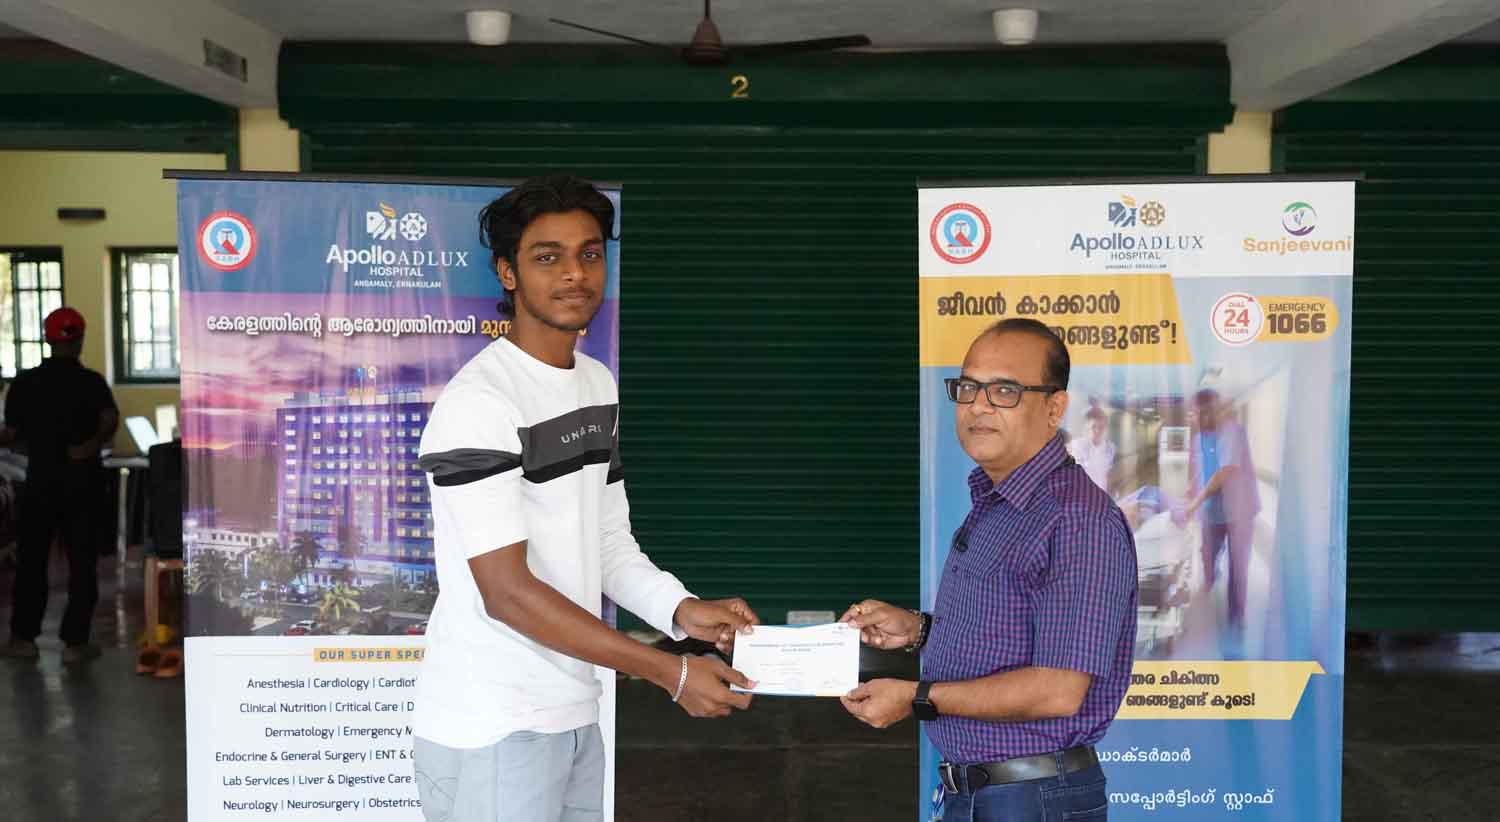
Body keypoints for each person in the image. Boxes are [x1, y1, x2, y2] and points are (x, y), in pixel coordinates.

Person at [412, 175, 759, 822]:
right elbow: (507, 592)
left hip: (573, 711)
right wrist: (670, 672)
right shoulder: (480, 404)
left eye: (590, 253)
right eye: (548, 257)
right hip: (493, 721)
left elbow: (605, 541)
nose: (575, 273)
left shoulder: (595, 383)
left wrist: (681, 611)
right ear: (508, 272)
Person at [839, 318, 1137, 821]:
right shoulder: (997, 501)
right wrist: (919, 630)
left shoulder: (1076, 519)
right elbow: (1008, 635)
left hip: (1031, 800)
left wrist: (917, 697)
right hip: (980, 794)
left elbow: (1057, 689)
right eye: (969, 388)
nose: (978, 405)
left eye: (1004, 391)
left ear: (1054, 408)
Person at [1, 307, 119, 663]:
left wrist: (35, 444)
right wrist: (89, 445)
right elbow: (109, 420)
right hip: (83, 484)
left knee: (32, 561)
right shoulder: (92, 382)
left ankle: (23, 640)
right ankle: (75, 644)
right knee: (82, 562)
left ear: (47, 339)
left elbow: (11, 435)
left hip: (41, 482)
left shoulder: (25, 383)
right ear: (80, 339)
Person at [1184, 387, 1259, 633]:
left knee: (1237, 566)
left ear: (1210, 411)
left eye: (1197, 413)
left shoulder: (1232, 432)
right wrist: (1191, 489)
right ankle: (1208, 583)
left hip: (1240, 509)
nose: (1193, 418)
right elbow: (1200, 469)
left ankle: (1235, 620)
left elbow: (1226, 471)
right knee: (1207, 555)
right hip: (1213, 509)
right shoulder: (1198, 438)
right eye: (1193, 413)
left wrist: (1196, 501)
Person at [1068, 406, 1116, 493]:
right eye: (1093, 426)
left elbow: (1108, 474)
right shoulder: (1077, 445)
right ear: (1087, 426)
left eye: (1101, 427)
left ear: (1105, 427)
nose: (1097, 431)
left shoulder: (1111, 448)